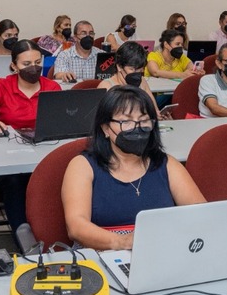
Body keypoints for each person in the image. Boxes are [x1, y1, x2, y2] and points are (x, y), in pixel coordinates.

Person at [61, 86, 206, 250]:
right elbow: (76, 227)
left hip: (161, 251)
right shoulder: (83, 166)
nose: (137, 128)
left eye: (144, 121)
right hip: (101, 254)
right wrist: (122, 242)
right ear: (106, 128)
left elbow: (202, 214)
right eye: (126, 122)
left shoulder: (167, 164)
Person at [0, 40, 61, 234]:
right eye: (26, 64)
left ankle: (51, 232)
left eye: (38, 63)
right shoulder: (2, 86)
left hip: (43, 151)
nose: (34, 68)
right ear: (14, 66)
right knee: (14, 181)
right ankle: (23, 234)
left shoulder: (52, 87)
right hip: (9, 154)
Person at [98, 41, 158, 107]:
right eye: (132, 69)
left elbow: (154, 109)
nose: (137, 74)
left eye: (140, 70)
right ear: (119, 67)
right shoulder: (106, 87)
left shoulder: (142, 81)